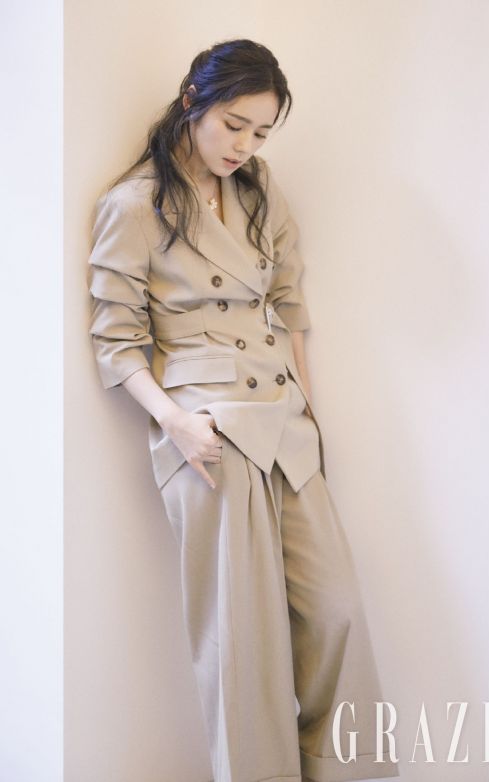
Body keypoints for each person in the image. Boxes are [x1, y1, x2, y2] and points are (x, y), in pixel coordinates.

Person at [87, 37, 399, 782]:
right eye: (234, 124)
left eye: (260, 132)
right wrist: (176, 423)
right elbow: (116, 339)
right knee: (242, 643)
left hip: (284, 426)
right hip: (210, 435)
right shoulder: (133, 205)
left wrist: (309, 414)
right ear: (193, 100)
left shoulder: (259, 190)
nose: (244, 146)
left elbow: (289, 303)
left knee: (336, 610)